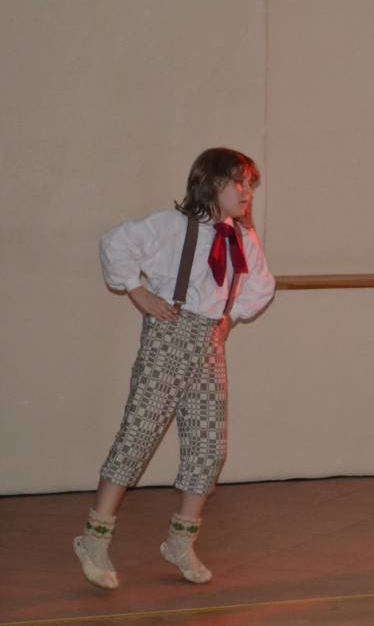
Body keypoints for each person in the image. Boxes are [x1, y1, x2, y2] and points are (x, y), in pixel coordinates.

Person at [74, 148, 275, 588]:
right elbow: (116, 243)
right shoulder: (172, 226)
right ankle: (93, 538)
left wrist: (228, 317)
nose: (247, 191)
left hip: (208, 344)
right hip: (169, 336)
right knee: (138, 435)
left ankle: (180, 541)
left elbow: (261, 284)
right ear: (213, 183)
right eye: (240, 182)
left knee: (208, 447)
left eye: (250, 184)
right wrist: (137, 291)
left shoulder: (241, 237)